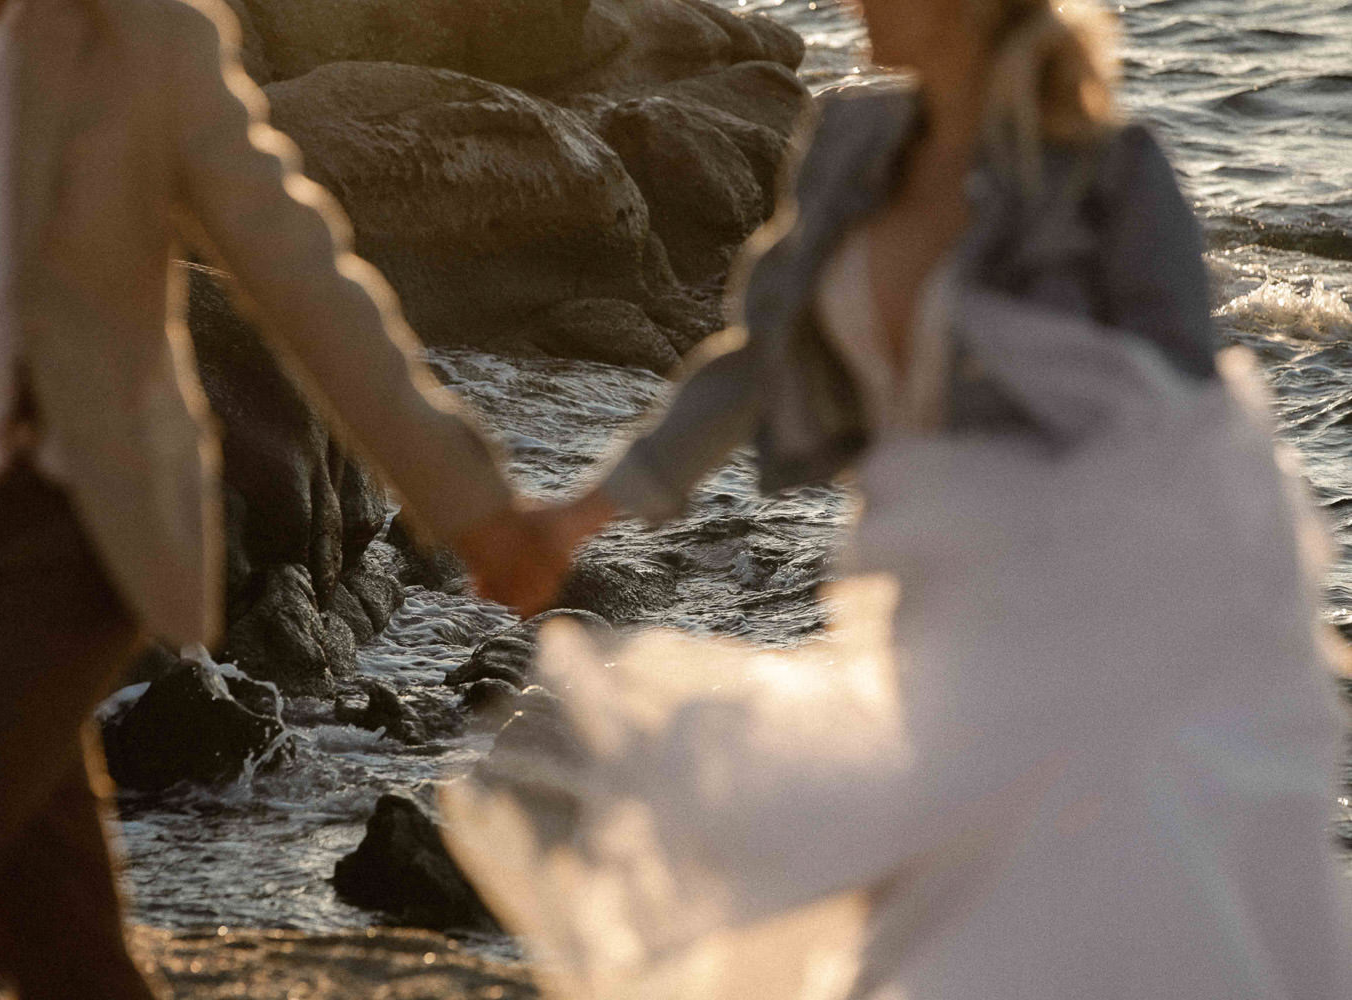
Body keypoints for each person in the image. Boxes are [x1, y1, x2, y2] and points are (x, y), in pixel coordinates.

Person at [442, 1, 1352, 997]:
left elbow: (1189, 429)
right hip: (921, 595)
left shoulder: (1110, 175)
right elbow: (755, 357)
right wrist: (586, 509)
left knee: (1053, 922)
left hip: (1077, 624)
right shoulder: (851, 143)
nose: (856, 4)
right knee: (924, 923)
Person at [0, 0, 568, 996]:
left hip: (72, 531)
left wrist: (471, 502)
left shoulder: (145, 39)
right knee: (54, 932)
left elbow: (300, 271)